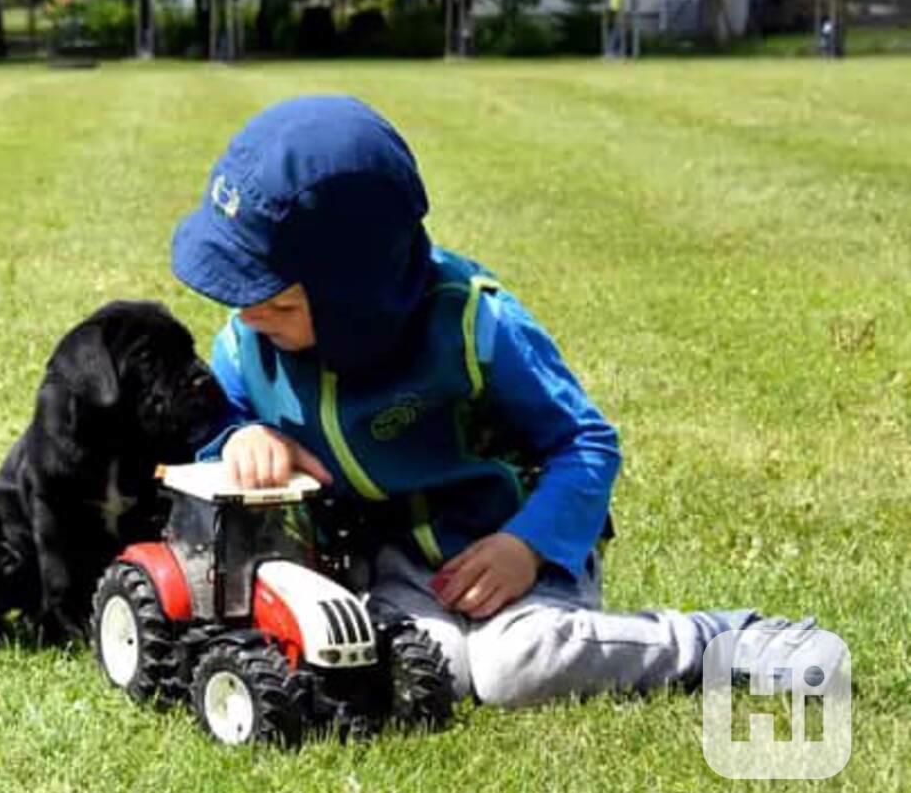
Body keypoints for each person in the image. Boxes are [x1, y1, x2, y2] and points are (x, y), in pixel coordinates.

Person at [169, 95, 834, 707]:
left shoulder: (473, 328)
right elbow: (217, 415)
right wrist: (237, 436)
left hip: (518, 545)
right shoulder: (251, 340)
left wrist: (527, 545)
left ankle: (725, 641)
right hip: (400, 564)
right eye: (238, 298)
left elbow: (585, 444)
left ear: (357, 296)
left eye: (278, 303)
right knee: (430, 669)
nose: (249, 319)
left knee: (515, 667)